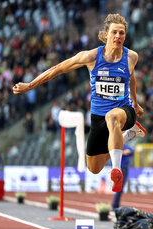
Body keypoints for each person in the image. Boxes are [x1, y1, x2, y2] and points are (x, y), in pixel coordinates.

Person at [13, 14, 146, 192]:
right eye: (114, 32)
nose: (118, 37)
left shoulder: (131, 57)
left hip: (123, 111)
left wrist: (135, 104)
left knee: (113, 116)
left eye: (121, 33)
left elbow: (131, 79)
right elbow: (57, 69)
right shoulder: (90, 57)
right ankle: (128, 136)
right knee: (94, 167)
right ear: (106, 34)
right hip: (98, 117)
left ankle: (116, 170)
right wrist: (30, 85)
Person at [112, 143, 133, 210]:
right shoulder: (116, 145)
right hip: (120, 168)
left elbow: (131, 151)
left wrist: (123, 152)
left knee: (120, 187)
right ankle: (115, 206)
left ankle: (115, 205)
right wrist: (123, 152)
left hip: (123, 167)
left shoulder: (125, 145)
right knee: (119, 187)